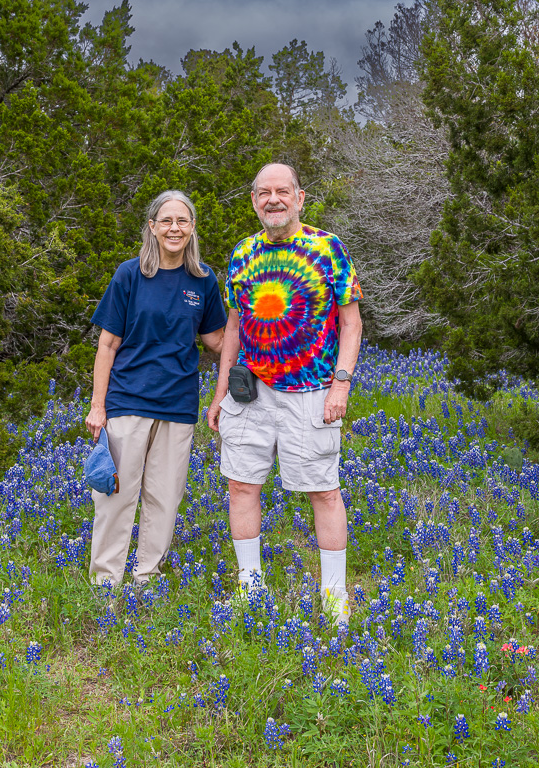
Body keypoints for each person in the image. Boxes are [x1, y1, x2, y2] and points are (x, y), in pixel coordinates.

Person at [207, 162, 363, 625]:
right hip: (249, 391)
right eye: (263, 193)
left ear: (299, 198)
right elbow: (233, 328)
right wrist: (218, 394)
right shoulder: (242, 254)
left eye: (282, 191)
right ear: (254, 200)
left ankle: (335, 599)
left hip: (312, 390)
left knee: (323, 491)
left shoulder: (327, 248)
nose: (273, 200)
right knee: (241, 485)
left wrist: (341, 383)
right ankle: (250, 589)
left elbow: (351, 322)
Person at [85, 190, 227, 587]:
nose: (174, 228)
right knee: (115, 496)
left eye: (182, 221)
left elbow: (216, 340)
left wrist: (263, 337)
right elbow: (108, 344)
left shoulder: (203, 280)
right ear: (152, 226)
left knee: (164, 500)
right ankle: (105, 583)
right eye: (166, 221)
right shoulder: (130, 274)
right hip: (127, 399)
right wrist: (98, 406)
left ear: (193, 227)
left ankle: (146, 580)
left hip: (178, 404)